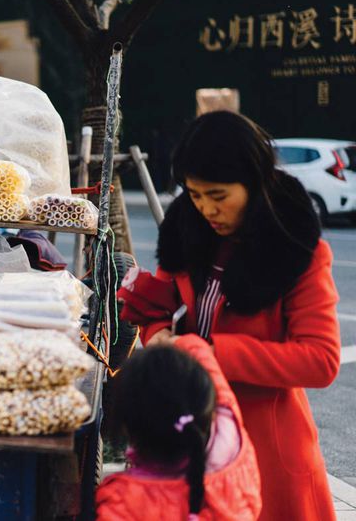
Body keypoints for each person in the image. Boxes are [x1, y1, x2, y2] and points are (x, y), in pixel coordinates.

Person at [125, 111, 340, 520]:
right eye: (195, 194)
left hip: (266, 451)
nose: (207, 208)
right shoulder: (188, 234)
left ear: (255, 182)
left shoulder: (297, 251)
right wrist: (158, 337)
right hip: (187, 436)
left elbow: (321, 360)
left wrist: (207, 352)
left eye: (219, 196)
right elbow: (160, 309)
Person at [96, 335, 262, 520]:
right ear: (205, 400)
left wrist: (162, 337)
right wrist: (178, 345)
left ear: (129, 428)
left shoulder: (122, 505)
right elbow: (202, 355)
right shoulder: (231, 437)